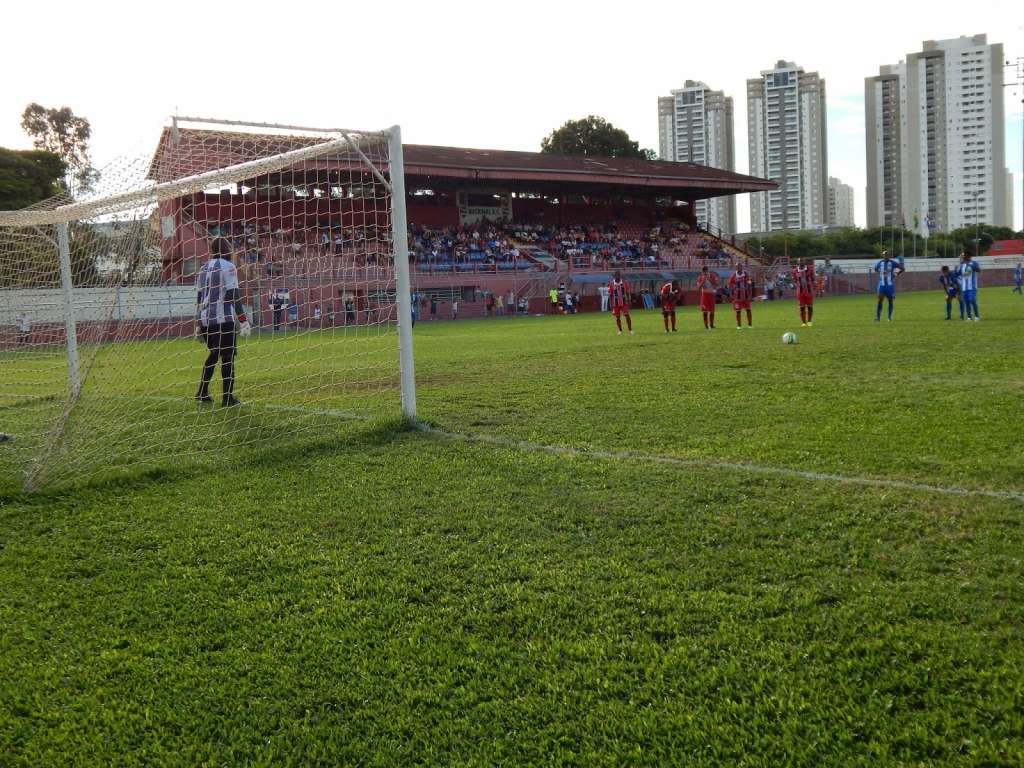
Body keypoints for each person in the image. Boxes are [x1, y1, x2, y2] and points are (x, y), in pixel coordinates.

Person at [195, 237, 251, 407]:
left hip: (206, 320)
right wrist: (243, 320)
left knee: (213, 354)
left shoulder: (203, 268)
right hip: (223, 320)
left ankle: (202, 392)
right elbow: (233, 295)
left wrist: (198, 324)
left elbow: (199, 297)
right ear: (227, 249)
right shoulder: (228, 267)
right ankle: (227, 398)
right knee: (227, 358)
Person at [873, 250, 904, 322]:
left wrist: (894, 274)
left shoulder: (892, 263)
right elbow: (875, 269)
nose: (885, 256)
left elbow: (902, 269)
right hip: (881, 285)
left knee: (890, 301)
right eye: (884, 255)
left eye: (887, 255)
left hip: (889, 286)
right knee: (879, 301)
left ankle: (889, 317)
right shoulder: (880, 263)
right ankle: (878, 318)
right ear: (882, 256)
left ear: (889, 256)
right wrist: (881, 273)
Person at [957, 251, 981, 321]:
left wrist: (973, 267)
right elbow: (958, 273)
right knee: (966, 302)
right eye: (963, 256)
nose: (963, 257)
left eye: (964, 256)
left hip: (972, 286)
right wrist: (956, 270)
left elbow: (979, 270)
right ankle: (969, 317)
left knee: (972, 300)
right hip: (964, 287)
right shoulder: (962, 265)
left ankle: (976, 316)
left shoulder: (974, 263)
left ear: (969, 256)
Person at [728, 265, 754, 329]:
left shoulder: (746, 274)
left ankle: (750, 325)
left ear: (742, 267)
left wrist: (750, 294)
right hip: (737, 297)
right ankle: (739, 326)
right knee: (738, 311)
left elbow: (749, 284)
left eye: (740, 266)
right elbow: (730, 285)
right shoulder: (733, 275)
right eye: (737, 267)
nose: (739, 268)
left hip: (746, 296)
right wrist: (731, 294)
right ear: (736, 268)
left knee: (748, 310)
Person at [608, 270, 632, 336]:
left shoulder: (625, 282)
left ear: (620, 275)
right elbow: (610, 295)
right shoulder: (611, 284)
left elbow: (627, 292)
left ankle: (630, 330)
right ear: (614, 276)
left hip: (624, 302)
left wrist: (629, 300)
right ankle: (620, 330)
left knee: (627, 315)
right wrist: (610, 304)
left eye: (618, 275)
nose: (617, 276)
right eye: (616, 275)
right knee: (617, 317)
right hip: (615, 303)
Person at [792, 258, 815, 327]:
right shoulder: (794, 271)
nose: (802, 262)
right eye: (800, 261)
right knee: (802, 307)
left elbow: (813, 278)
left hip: (809, 291)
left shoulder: (810, 269)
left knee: (810, 307)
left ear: (805, 262)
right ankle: (804, 322)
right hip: (800, 292)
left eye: (803, 261)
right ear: (798, 262)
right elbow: (795, 280)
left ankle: (809, 321)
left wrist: (811, 286)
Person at [696, 265, 718, 329]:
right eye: (703, 271)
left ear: (708, 271)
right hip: (705, 295)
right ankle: (706, 326)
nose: (705, 273)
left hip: (711, 295)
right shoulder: (700, 277)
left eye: (706, 271)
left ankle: (711, 325)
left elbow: (716, 284)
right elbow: (698, 288)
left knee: (712, 311)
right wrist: (703, 280)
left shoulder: (712, 276)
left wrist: (709, 279)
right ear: (702, 272)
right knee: (705, 311)